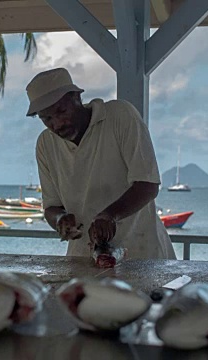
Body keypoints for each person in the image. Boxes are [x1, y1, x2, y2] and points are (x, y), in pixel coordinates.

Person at [25, 68, 176, 260]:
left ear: (77, 98)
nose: (57, 124)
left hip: (142, 256)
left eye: (61, 111)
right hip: (84, 260)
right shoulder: (45, 144)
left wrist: (109, 215)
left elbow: (148, 184)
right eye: (46, 118)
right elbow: (51, 207)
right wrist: (60, 220)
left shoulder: (120, 116)